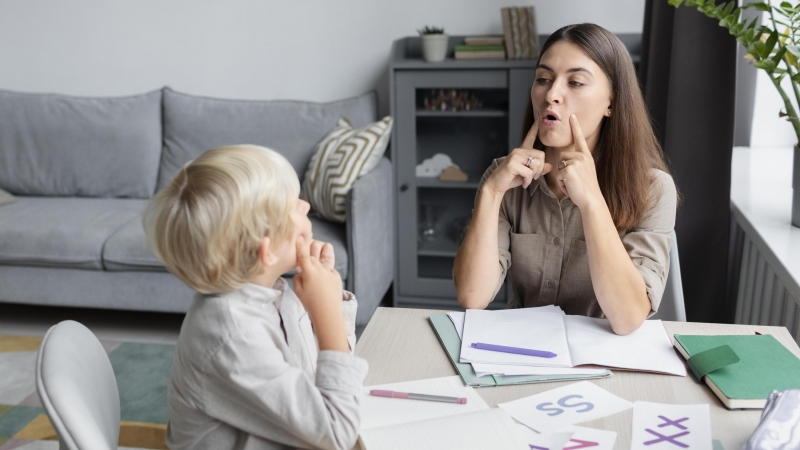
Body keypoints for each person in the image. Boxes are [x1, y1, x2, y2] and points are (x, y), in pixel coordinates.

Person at [453, 23, 678, 335]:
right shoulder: (504, 178)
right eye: (543, 79)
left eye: (575, 82)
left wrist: (592, 202)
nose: (552, 95)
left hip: (602, 358)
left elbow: (628, 318)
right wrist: (492, 192)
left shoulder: (653, 189)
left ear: (611, 102)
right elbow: (472, 296)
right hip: (520, 349)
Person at [143, 144, 367, 450]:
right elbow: (338, 432)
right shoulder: (233, 335)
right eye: (292, 206)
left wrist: (327, 306)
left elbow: (325, 379)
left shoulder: (273, 292)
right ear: (268, 250)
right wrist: (326, 311)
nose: (304, 205)